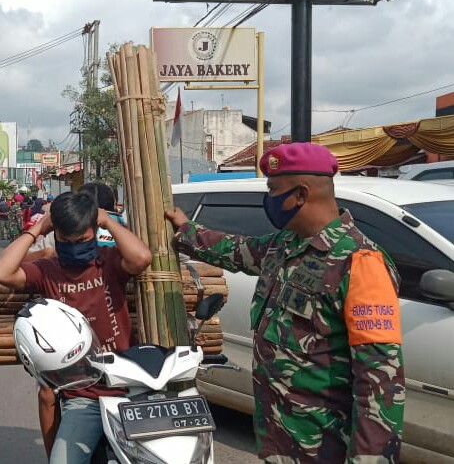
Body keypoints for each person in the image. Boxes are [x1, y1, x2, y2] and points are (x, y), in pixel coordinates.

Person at [165, 143, 405, 462]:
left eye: (274, 190)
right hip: (279, 437)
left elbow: (380, 380)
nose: (270, 199)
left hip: (324, 446)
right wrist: (186, 229)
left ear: (301, 194)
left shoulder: (358, 262)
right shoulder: (286, 245)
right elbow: (237, 250)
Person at [0, 191, 152, 464]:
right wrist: (38, 229)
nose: (75, 246)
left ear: (94, 231)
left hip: (127, 387)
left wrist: (109, 222)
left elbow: (142, 258)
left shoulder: (108, 261)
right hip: (82, 395)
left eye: (83, 240)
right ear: (56, 234)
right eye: (66, 241)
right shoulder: (48, 270)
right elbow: (1, 272)